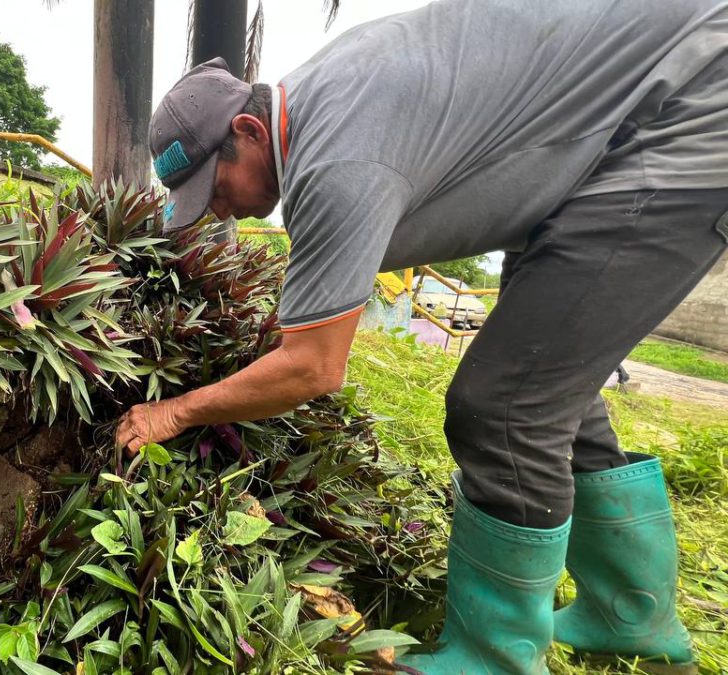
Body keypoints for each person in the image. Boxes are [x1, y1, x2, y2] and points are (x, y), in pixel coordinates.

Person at [116, 1, 728, 672]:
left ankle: (491, 659)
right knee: (547, 380)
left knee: (505, 406)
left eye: (215, 185)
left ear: (248, 128)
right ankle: (630, 613)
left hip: (688, 116)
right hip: (614, 141)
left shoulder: (338, 158)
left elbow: (313, 368)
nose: (217, 208)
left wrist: (176, 410)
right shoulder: (317, 107)